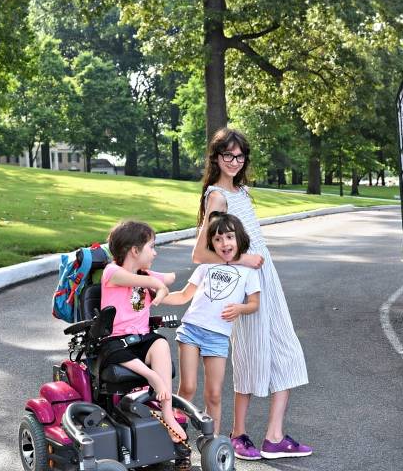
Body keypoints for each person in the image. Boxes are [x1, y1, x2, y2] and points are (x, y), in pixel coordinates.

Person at [192, 128, 312, 460]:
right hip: (242, 283)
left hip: (266, 278)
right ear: (216, 157)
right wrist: (242, 258)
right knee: (250, 354)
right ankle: (239, 435)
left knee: (286, 351)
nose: (233, 161)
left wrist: (255, 262)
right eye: (227, 155)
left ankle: (274, 436)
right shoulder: (217, 196)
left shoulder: (242, 192)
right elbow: (200, 254)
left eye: (239, 156)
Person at [164, 211, 260, 435]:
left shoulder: (248, 272)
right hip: (191, 330)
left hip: (218, 337)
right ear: (212, 244)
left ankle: (212, 442)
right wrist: (155, 297)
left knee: (214, 394)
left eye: (229, 237)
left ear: (239, 239)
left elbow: (254, 303)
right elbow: (183, 296)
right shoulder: (205, 267)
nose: (224, 243)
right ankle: (175, 437)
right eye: (217, 239)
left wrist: (240, 308)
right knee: (187, 388)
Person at [100, 219, 187, 444]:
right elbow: (137, 280)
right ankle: (152, 377)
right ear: (135, 250)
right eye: (151, 246)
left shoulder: (145, 273)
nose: (155, 253)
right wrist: (157, 284)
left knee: (160, 343)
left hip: (141, 339)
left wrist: (162, 285)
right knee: (112, 347)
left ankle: (167, 413)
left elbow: (170, 278)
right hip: (116, 340)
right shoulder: (112, 272)